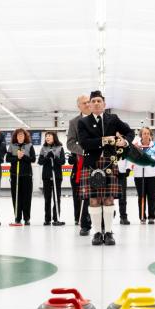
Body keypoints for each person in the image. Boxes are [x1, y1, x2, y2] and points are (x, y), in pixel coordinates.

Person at [77, 90, 134, 246]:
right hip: (92, 163)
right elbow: (83, 143)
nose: (96, 103)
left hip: (110, 162)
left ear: (104, 104)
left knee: (109, 199)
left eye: (99, 101)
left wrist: (125, 142)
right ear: (89, 104)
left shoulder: (113, 119)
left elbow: (130, 132)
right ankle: (96, 233)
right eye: (93, 101)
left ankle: (108, 233)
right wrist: (103, 140)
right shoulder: (83, 122)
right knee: (94, 200)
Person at [67, 95, 93, 234]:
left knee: (98, 193)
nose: (88, 104)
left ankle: (101, 223)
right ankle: (84, 224)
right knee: (83, 193)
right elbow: (70, 143)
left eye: (89, 102)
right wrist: (84, 150)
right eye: (84, 103)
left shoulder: (98, 119)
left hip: (98, 162)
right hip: (82, 162)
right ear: (79, 106)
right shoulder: (74, 122)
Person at [7, 128, 36, 225]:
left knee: (27, 197)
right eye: (18, 135)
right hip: (15, 175)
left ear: (25, 136)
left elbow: (33, 159)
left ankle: (27, 218)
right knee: (16, 196)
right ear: (16, 137)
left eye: (22, 135)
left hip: (26, 175)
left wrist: (23, 156)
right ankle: (17, 217)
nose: (20, 137)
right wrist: (17, 157)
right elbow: (8, 159)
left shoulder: (29, 146)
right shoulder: (12, 146)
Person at [38, 131, 66, 226]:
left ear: (54, 137)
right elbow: (40, 162)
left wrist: (54, 157)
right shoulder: (43, 148)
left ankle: (56, 218)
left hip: (57, 176)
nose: (47, 137)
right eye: (46, 136)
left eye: (49, 136)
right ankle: (47, 219)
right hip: (46, 175)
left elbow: (62, 162)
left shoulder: (60, 148)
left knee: (56, 197)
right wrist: (47, 157)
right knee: (47, 198)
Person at [131, 127, 155, 224]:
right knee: (141, 195)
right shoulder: (135, 146)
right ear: (141, 135)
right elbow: (132, 158)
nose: (146, 135)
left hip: (152, 174)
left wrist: (146, 157)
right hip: (139, 174)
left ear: (150, 135)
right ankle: (142, 216)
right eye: (144, 133)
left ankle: (151, 216)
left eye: (148, 133)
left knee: (151, 196)